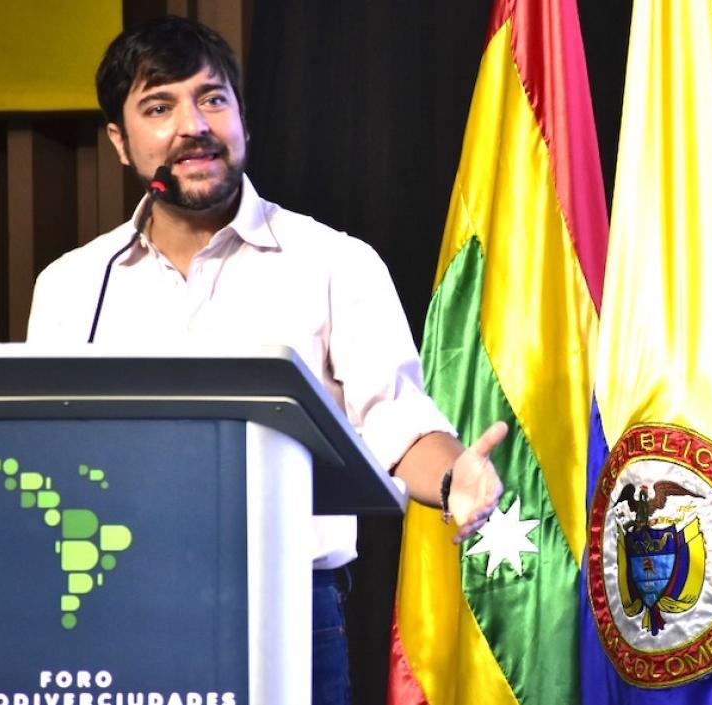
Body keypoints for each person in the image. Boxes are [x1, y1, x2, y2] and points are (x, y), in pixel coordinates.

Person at [25, 16, 506, 705]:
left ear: (241, 118)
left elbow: (398, 427)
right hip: (112, 612)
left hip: (288, 613)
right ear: (120, 142)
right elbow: (36, 448)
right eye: (159, 106)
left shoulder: (334, 262)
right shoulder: (71, 286)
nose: (194, 124)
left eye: (212, 98)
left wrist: (457, 471)